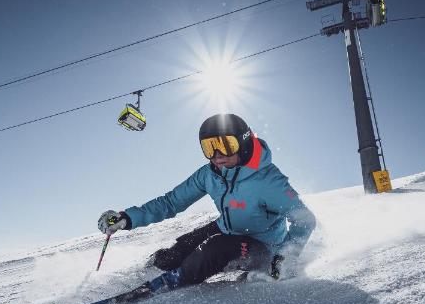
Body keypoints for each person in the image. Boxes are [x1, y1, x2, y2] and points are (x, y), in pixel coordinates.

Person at [97, 113, 315, 291]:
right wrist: (127, 218)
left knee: (213, 250)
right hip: (226, 229)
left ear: (243, 143)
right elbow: (171, 202)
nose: (217, 155)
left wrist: (284, 256)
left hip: (263, 246)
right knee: (179, 249)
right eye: (209, 147)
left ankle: (171, 281)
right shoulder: (209, 174)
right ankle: (150, 271)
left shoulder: (268, 180)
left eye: (225, 145)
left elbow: (305, 219)